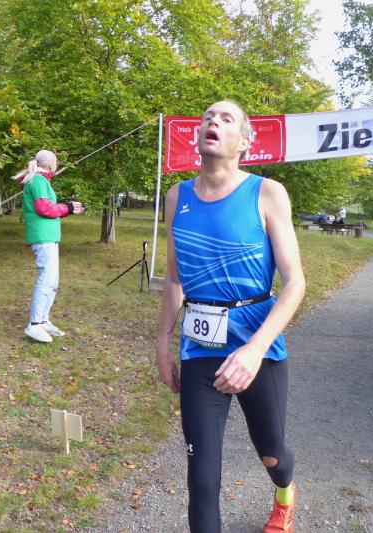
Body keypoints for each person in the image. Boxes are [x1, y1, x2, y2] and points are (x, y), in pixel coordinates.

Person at [155, 100, 305, 533]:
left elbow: (295, 282)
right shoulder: (177, 196)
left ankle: (285, 491)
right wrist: (162, 343)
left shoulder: (267, 193)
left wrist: (254, 351)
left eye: (225, 119)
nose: (212, 122)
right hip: (200, 348)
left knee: (272, 453)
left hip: (258, 347)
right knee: (201, 478)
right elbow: (174, 278)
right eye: (207, 117)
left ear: (244, 142)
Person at [14, 150, 85, 343]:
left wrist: (68, 209)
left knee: (52, 281)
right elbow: (44, 208)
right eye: (56, 161)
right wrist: (67, 208)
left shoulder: (41, 180)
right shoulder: (37, 180)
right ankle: (34, 324)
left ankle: (43, 320)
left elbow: (48, 207)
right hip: (42, 236)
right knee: (46, 279)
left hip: (49, 236)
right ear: (51, 164)